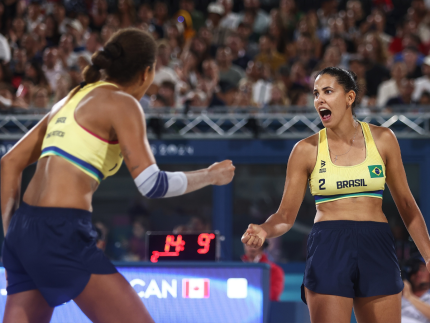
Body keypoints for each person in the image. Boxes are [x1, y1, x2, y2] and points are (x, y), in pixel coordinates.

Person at [1, 28, 235, 323]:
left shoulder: (73, 96)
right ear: (147, 72)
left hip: (23, 230)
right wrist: (210, 175)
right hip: (61, 231)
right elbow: (152, 184)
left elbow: (9, 163)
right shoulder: (124, 104)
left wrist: (14, 237)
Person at [242, 66, 430, 323]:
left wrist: (429, 256)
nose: (319, 99)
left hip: (377, 244)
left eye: (328, 91)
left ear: (349, 97)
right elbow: (285, 215)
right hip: (329, 245)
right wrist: (264, 229)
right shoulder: (305, 150)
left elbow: (407, 205)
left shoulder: (384, 139)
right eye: (316, 93)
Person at [402, 256, 430, 323]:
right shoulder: (399, 294)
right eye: (415, 269)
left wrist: (409, 296)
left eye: (423, 269)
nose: (418, 273)